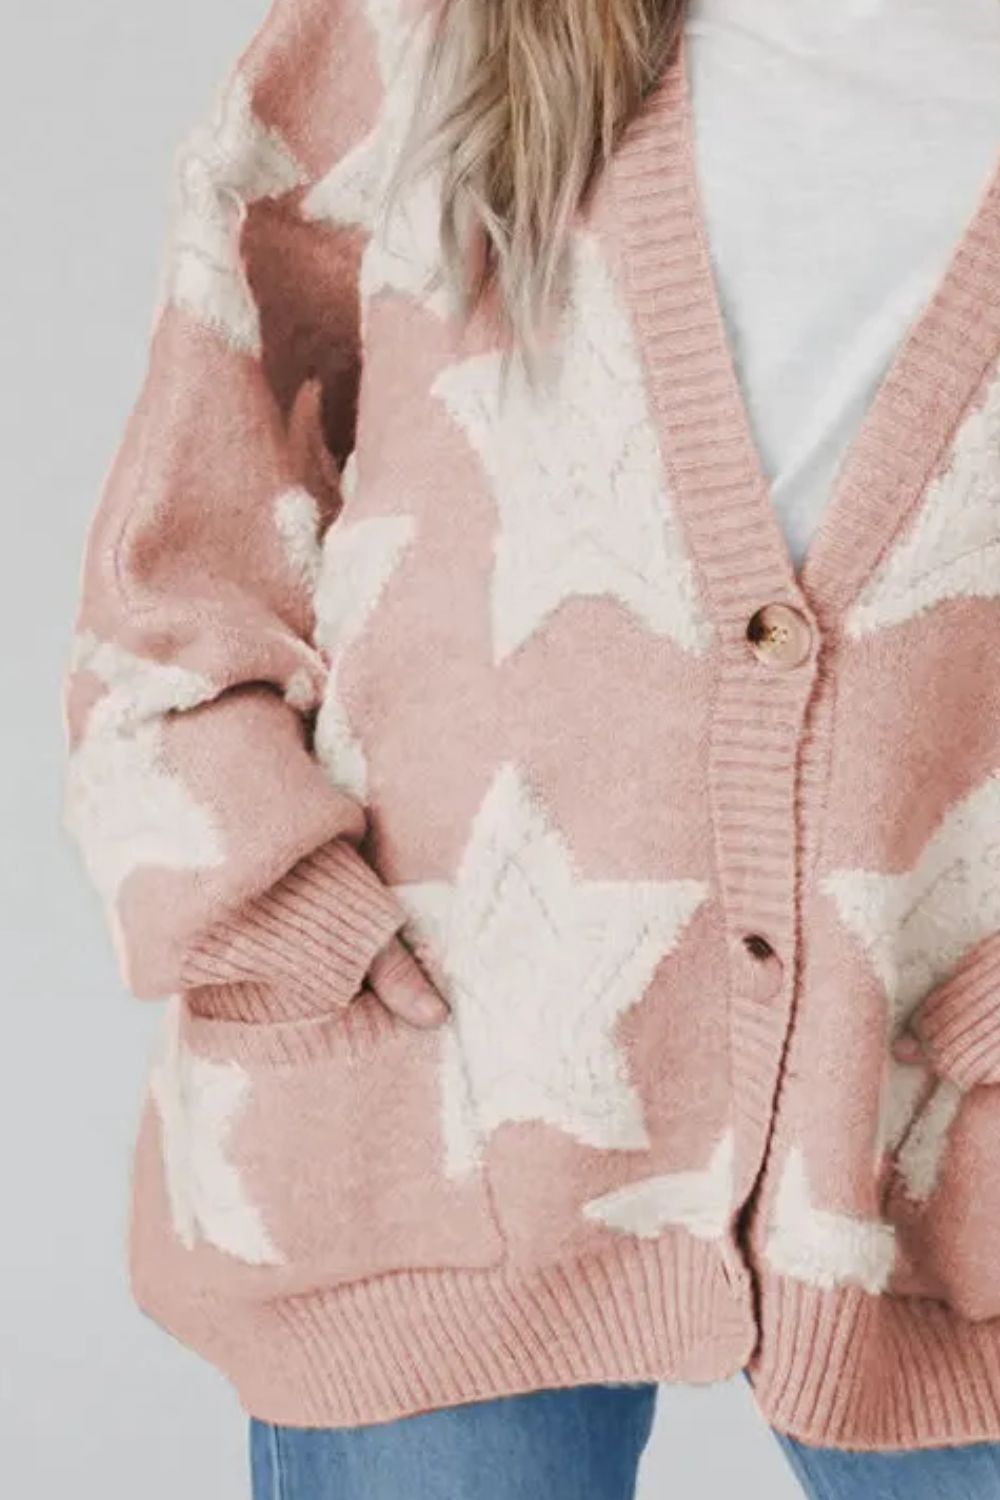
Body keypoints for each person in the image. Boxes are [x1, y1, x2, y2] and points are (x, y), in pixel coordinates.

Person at [62, 0, 1000, 1496]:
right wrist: (271, 915)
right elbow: (184, 553)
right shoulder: (428, 33)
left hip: (948, 1145)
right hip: (430, 1115)